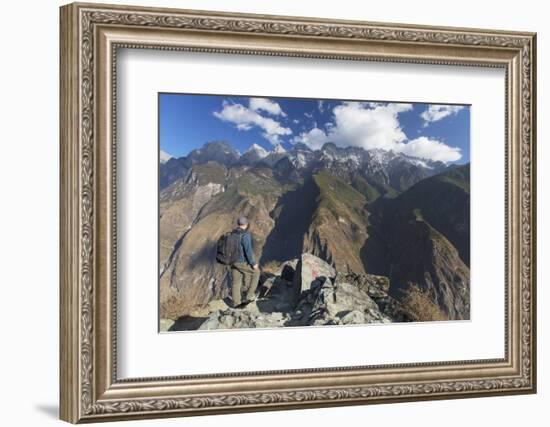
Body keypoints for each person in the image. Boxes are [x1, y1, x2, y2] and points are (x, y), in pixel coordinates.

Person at [230, 216, 260, 308]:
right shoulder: (245, 235)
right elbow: (248, 250)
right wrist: (253, 263)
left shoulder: (232, 233)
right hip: (241, 261)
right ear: (246, 224)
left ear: (238, 224)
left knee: (236, 282)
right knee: (256, 273)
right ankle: (249, 296)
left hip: (232, 261)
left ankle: (236, 303)